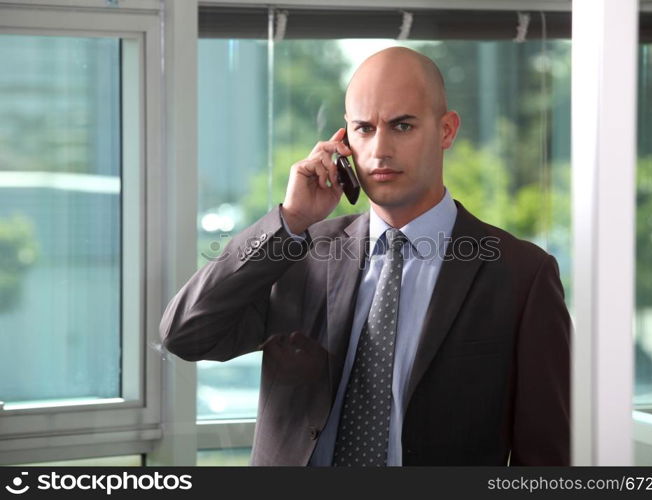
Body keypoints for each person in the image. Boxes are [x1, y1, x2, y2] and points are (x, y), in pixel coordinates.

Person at [160, 47, 571, 466]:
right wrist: (291, 219)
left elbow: (544, 456)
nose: (380, 150)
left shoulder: (521, 275)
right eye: (364, 128)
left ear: (447, 130)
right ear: (343, 141)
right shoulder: (300, 253)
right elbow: (185, 334)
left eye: (402, 126)